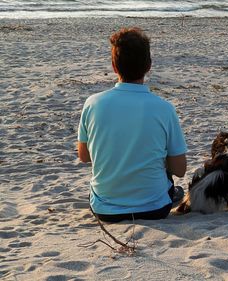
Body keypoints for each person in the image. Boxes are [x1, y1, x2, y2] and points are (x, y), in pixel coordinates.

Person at [77, 27, 187, 223]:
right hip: (155, 209)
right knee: (167, 173)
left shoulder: (93, 103)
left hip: (105, 209)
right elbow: (179, 169)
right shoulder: (164, 108)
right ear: (149, 66)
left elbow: (84, 156)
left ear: (113, 66)